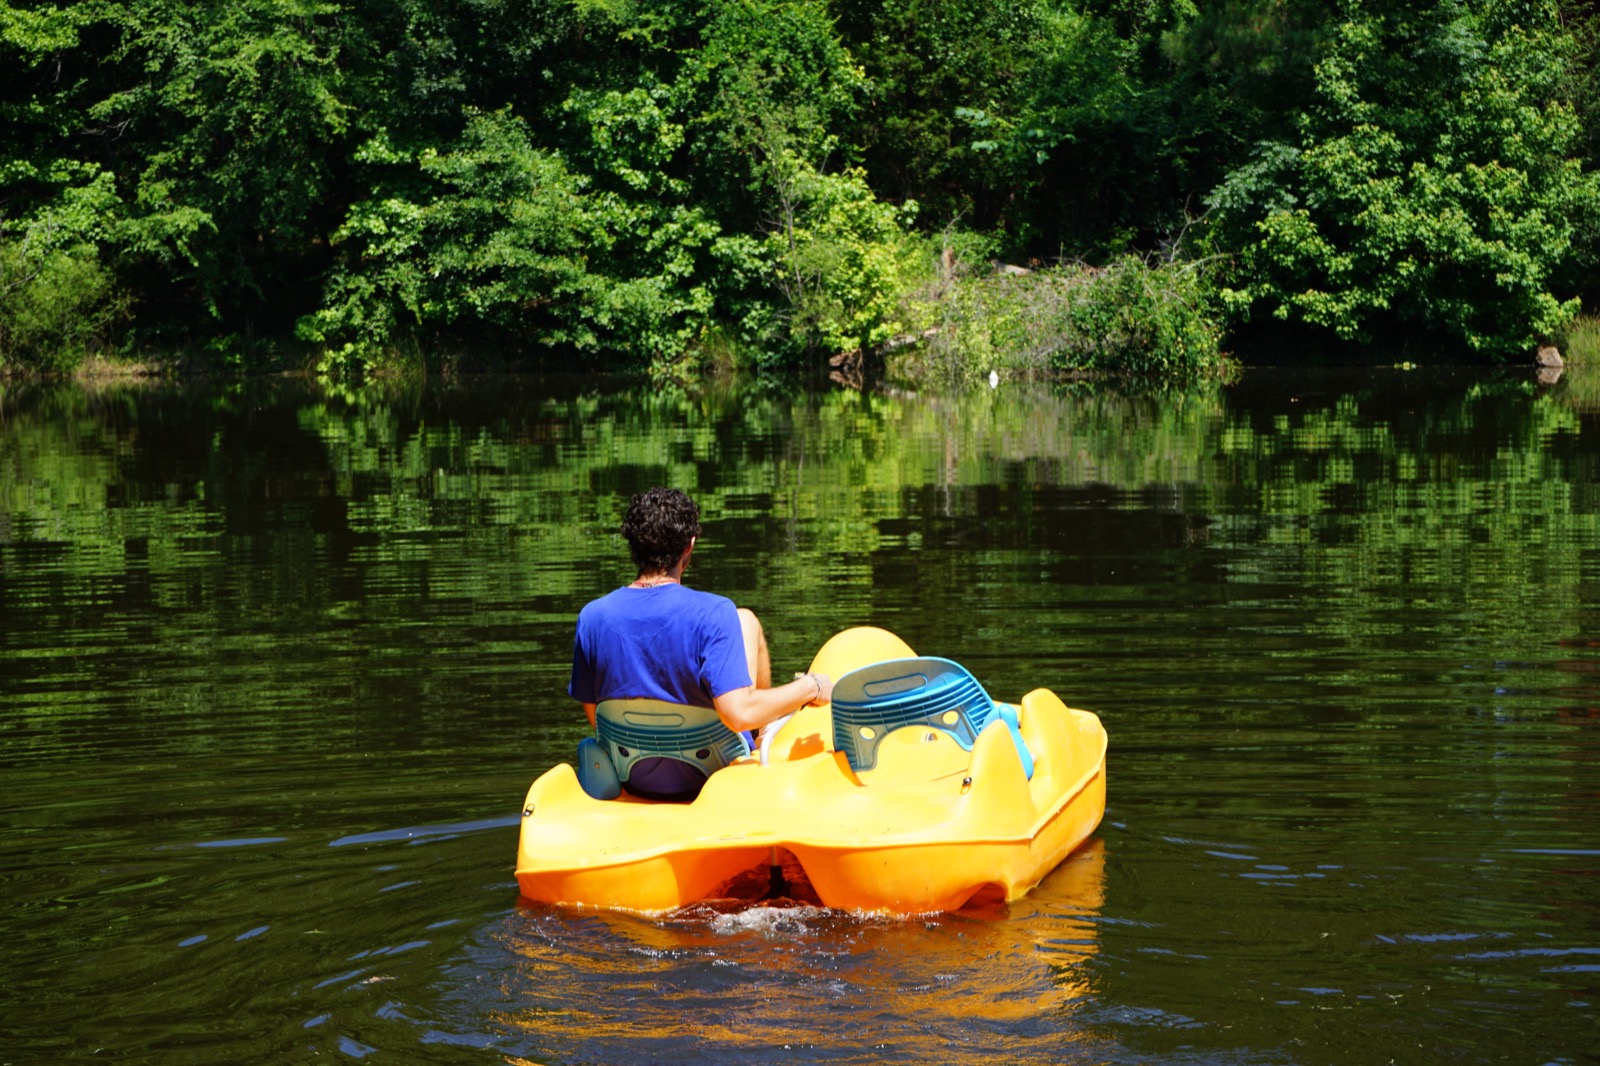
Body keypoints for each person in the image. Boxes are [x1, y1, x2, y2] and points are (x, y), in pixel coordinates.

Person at [569, 487, 833, 799]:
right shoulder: (714, 613)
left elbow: (595, 716)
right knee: (744, 619)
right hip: (711, 775)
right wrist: (811, 686)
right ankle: (763, 740)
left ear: (633, 544)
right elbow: (738, 715)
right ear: (688, 546)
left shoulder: (592, 617)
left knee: (744, 619)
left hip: (634, 778)